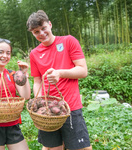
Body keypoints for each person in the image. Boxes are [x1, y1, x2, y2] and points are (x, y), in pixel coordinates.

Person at [27, 10, 92, 150]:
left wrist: (60, 73)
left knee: (81, 147)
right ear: (33, 33)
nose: (41, 33)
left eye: (43, 28)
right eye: (36, 32)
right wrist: (38, 102)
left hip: (70, 107)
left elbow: (83, 70)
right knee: (52, 147)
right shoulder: (34, 54)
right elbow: (37, 81)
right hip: (47, 111)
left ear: (50, 24)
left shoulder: (68, 41)